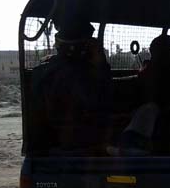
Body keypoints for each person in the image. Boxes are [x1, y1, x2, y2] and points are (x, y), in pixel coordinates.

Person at [30, 17, 113, 154]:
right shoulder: (83, 74)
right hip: (78, 146)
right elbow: (100, 104)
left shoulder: (42, 71)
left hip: (49, 146)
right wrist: (101, 66)